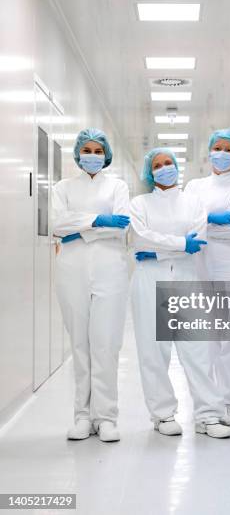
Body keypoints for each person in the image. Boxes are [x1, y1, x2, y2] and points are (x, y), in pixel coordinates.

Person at [129, 148, 230, 439]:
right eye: (158, 165)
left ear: (177, 166)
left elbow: (196, 240)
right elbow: (140, 238)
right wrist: (177, 244)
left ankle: (208, 415)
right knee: (153, 350)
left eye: (169, 163)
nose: (165, 169)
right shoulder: (139, 203)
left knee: (198, 349)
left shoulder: (193, 202)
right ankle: (162, 414)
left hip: (187, 277)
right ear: (150, 172)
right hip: (149, 279)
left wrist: (156, 250)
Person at [52, 128, 130, 442]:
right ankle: (82, 417)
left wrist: (79, 227)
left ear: (107, 155)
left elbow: (122, 224)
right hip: (71, 270)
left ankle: (106, 416)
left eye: (99, 152)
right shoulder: (63, 187)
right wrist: (98, 221)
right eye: (88, 150)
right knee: (80, 345)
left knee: (106, 344)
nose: (93, 157)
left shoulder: (118, 186)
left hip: (111, 268)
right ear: (78, 153)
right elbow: (57, 224)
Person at [185, 129, 230, 425]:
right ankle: (213, 397)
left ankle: (229, 400)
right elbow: (184, 225)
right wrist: (212, 219)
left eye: (228, 148)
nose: (222, 152)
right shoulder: (194, 185)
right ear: (209, 151)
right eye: (217, 146)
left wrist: (201, 222)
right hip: (201, 262)